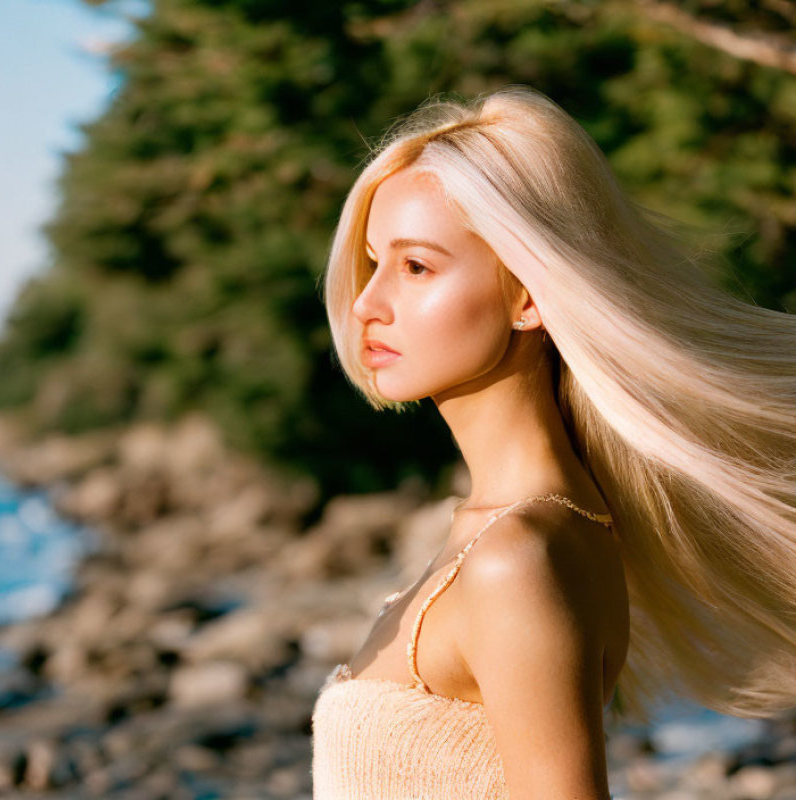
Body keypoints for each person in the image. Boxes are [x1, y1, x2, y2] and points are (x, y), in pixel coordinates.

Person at [310, 84, 796, 800]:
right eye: (375, 261)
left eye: (415, 266)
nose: (366, 302)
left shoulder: (516, 558)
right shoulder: (506, 532)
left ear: (529, 295)